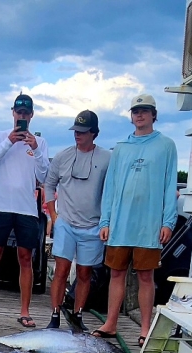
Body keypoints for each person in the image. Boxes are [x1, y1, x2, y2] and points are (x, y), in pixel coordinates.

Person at [93, 93, 178, 343]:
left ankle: (144, 329)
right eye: (135, 111)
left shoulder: (166, 145)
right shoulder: (120, 148)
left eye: (145, 110)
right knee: (116, 273)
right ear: (131, 117)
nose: (139, 115)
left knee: (145, 276)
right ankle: (110, 323)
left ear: (154, 114)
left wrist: (168, 222)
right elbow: (109, 187)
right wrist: (105, 221)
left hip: (149, 225)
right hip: (120, 224)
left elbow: (169, 184)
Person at [0, 93, 49, 327]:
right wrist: (9, 141)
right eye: (18, 112)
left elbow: (44, 176)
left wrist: (36, 149)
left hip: (27, 209)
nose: (22, 116)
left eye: (26, 112)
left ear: (31, 115)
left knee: (26, 258)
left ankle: (25, 311)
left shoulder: (40, 141)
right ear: (13, 113)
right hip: (0, 206)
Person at [43, 109, 110, 331]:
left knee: (84, 272)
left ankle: (78, 314)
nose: (77, 134)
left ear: (93, 133)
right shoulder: (62, 156)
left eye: (82, 131)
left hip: (92, 225)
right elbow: (49, 184)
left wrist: (106, 222)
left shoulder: (107, 158)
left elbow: (112, 190)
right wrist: (53, 214)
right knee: (61, 269)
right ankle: (54, 315)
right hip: (66, 223)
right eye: (75, 130)